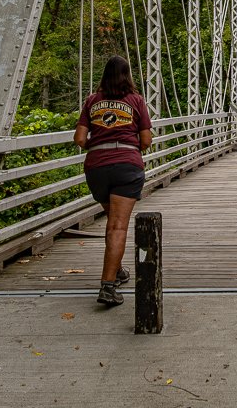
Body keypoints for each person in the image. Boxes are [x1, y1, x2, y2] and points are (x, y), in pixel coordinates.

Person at [74, 55, 152, 307]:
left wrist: (96, 143)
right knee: (118, 226)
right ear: (127, 75)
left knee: (112, 223)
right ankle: (107, 286)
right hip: (126, 166)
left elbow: (79, 139)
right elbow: (147, 141)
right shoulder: (136, 101)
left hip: (96, 168)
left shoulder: (92, 101)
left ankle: (116, 271)